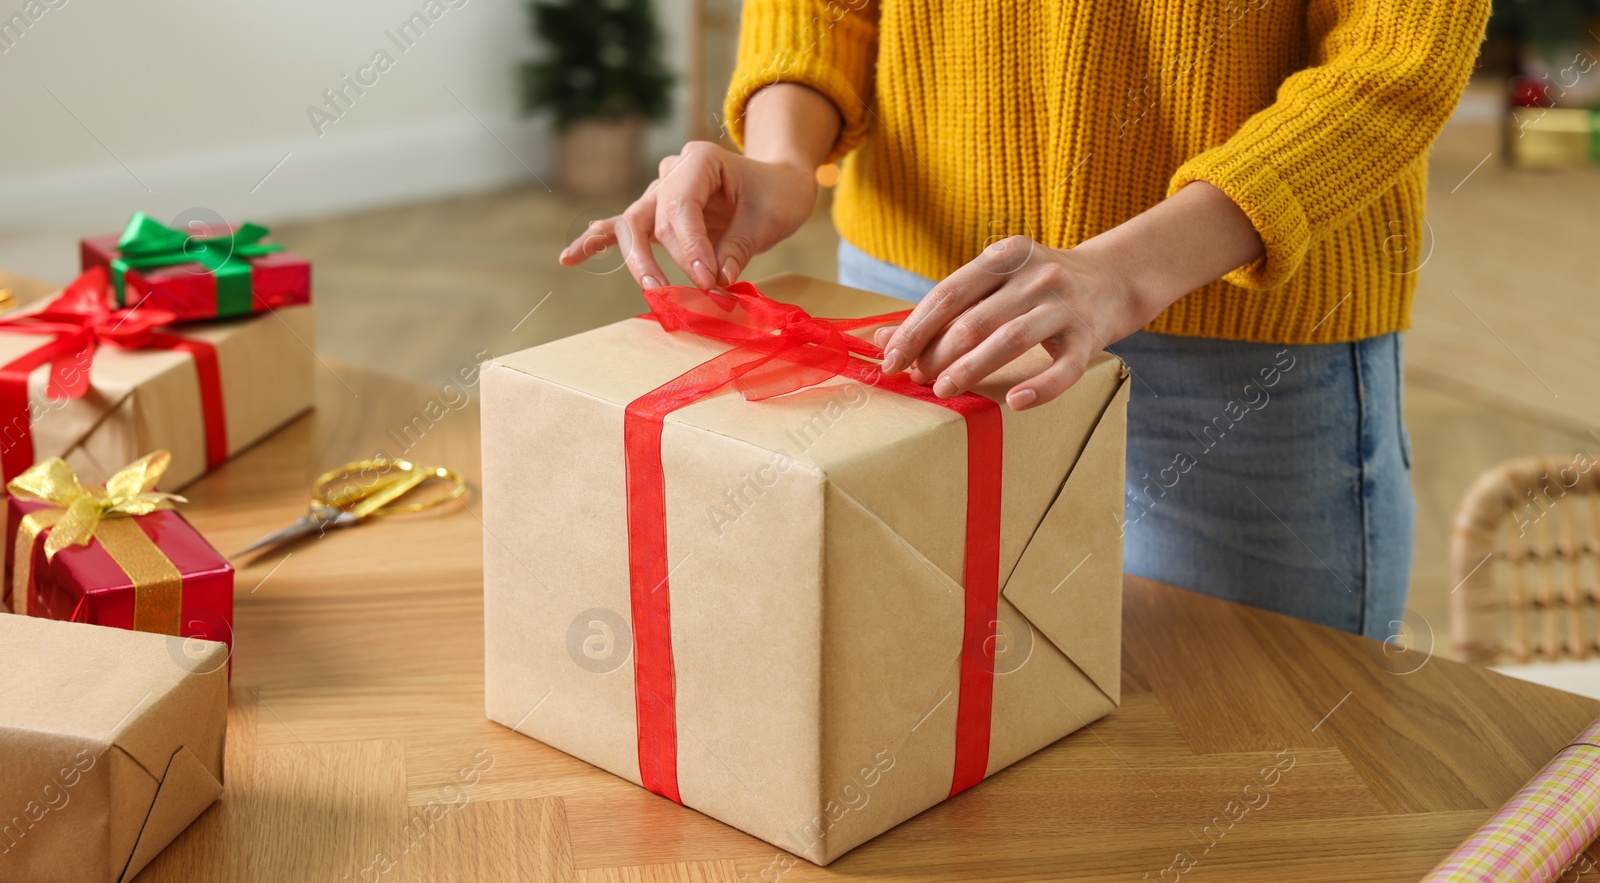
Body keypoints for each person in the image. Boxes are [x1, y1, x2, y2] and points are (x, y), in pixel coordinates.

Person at [560, 1, 1490, 640]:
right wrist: (779, 159)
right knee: (920, 733)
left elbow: (1395, 57)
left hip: (1242, 344)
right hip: (920, 305)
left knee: (1259, 769)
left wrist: (1123, 273)